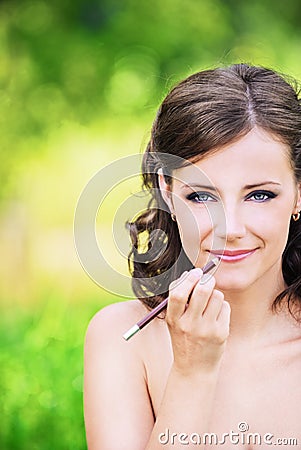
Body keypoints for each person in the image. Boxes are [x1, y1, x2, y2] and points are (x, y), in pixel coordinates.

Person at [84, 63, 301, 449]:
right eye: (201, 196)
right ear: (168, 192)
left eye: (260, 195)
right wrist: (192, 372)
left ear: (299, 193)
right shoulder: (122, 339)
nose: (230, 227)